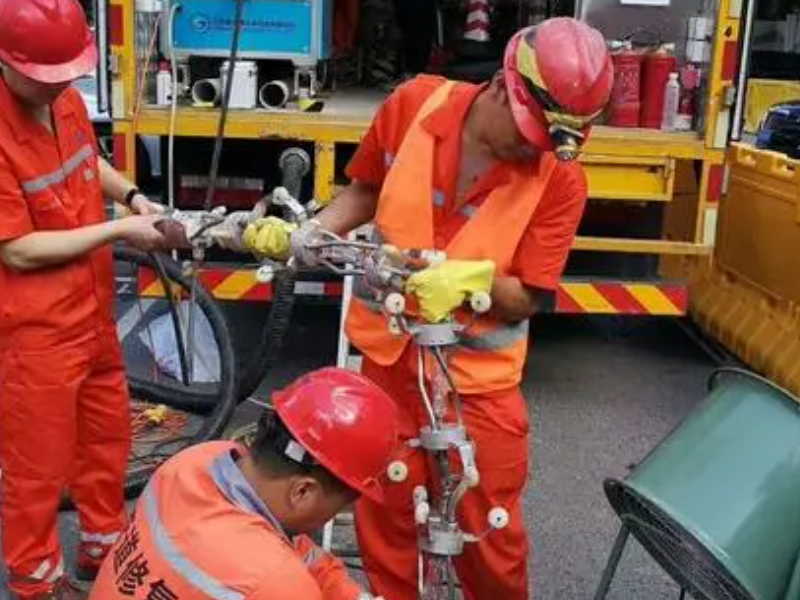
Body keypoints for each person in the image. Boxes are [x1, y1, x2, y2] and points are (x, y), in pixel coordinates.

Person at [243, 17, 614, 600]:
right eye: (527, 132)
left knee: (488, 535)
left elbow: (531, 297)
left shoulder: (560, 180)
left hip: (476, 387)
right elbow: (366, 190)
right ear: (500, 84)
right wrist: (304, 236)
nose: (531, 148)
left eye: (547, 141)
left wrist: (471, 282)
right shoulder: (414, 105)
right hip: (388, 367)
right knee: (386, 518)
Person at [0, 1, 168, 597]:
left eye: (65, 74)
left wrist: (133, 197)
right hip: (36, 332)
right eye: (43, 77)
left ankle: (103, 548)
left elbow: (86, 161)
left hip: (92, 313)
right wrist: (123, 232)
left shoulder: (61, 95)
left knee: (105, 439)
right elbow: (17, 250)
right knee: (37, 469)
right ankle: (34, 580)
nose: (57, 87)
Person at [90, 367, 398, 600]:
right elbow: (277, 573)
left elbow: (299, 550)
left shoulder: (196, 462)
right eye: (341, 504)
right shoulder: (273, 579)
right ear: (302, 491)